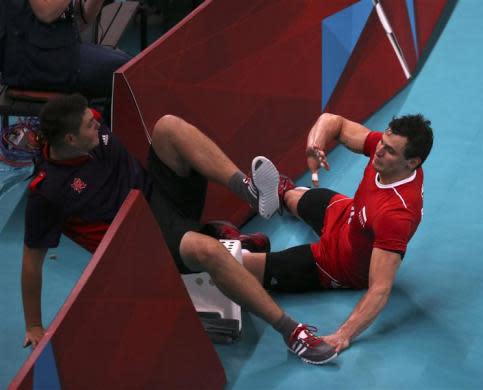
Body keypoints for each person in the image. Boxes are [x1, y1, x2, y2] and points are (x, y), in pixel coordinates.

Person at [21, 93, 337, 365]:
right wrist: (34, 324)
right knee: (206, 250)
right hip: (142, 242)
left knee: (168, 127)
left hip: (157, 195)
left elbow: (113, 131)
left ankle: (252, 194)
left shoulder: (87, 128)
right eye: (89, 125)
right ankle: (291, 333)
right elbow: (31, 263)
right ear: (70, 140)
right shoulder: (48, 193)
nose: (97, 123)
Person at [243, 112, 434, 353]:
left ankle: (233, 255)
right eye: (382, 143)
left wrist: (344, 334)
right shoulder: (385, 150)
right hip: (345, 215)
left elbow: (380, 289)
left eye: (390, 151)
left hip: (335, 264)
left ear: (412, 162)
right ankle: (283, 196)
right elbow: (334, 123)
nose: (379, 151)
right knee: (294, 197)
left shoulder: (395, 214)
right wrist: (315, 146)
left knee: (243, 265)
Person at [0, 0, 131, 99]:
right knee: (126, 72)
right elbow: (45, 13)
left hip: (60, 52)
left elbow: (81, 23)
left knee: (130, 65)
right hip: (31, 64)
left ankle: (100, 131)